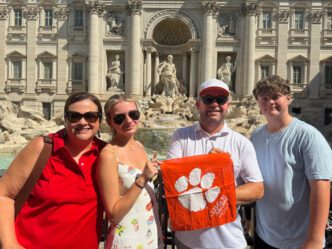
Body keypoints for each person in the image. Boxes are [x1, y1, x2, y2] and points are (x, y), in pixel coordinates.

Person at [0, 92, 106, 249]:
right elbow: (4, 194)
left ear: (99, 121)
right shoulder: (42, 147)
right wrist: (9, 244)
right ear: (65, 119)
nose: (82, 122)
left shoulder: (106, 155)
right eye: (74, 116)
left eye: (90, 116)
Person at [167, 79, 264, 249]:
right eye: (208, 99)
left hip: (229, 242)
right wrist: (214, 167)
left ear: (228, 105)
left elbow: (257, 189)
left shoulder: (241, 143)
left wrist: (216, 189)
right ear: (198, 104)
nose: (215, 104)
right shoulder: (180, 136)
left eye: (220, 100)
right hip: (187, 241)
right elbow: (171, 180)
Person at [251, 75, 332, 249]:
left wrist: (315, 240)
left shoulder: (308, 136)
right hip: (264, 234)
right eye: (264, 98)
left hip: (299, 240)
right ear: (258, 103)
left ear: (288, 98)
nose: (270, 102)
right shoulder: (256, 136)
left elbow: (322, 187)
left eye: (275, 96)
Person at [97, 94, 160, 249]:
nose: (129, 121)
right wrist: (142, 179)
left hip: (149, 233)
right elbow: (113, 215)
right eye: (119, 118)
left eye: (133, 114)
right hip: (127, 239)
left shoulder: (139, 145)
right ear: (110, 122)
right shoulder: (108, 155)